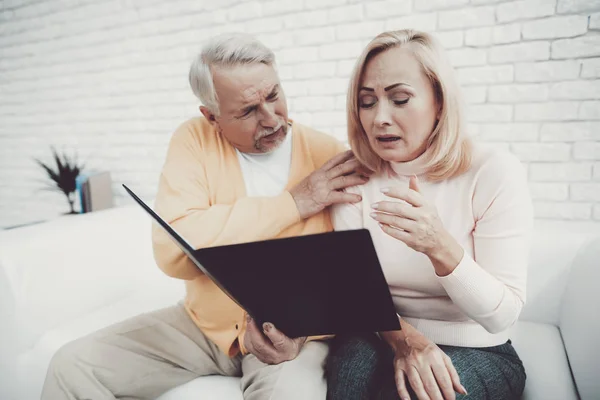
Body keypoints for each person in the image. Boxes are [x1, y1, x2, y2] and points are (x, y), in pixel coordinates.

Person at [41, 33, 369, 400]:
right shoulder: (192, 140)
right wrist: (293, 204)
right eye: (247, 110)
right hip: (202, 327)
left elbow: (346, 275)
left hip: (291, 334)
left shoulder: (326, 154)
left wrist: (304, 334)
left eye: (274, 95)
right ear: (211, 116)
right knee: (71, 366)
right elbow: (174, 248)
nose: (271, 117)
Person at [325, 29, 532, 400]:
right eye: (367, 102)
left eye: (400, 99)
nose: (380, 118)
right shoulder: (355, 177)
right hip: (384, 335)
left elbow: (501, 316)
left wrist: (438, 245)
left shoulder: (493, 172)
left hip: (478, 347)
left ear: (439, 101)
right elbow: (355, 292)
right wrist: (408, 342)